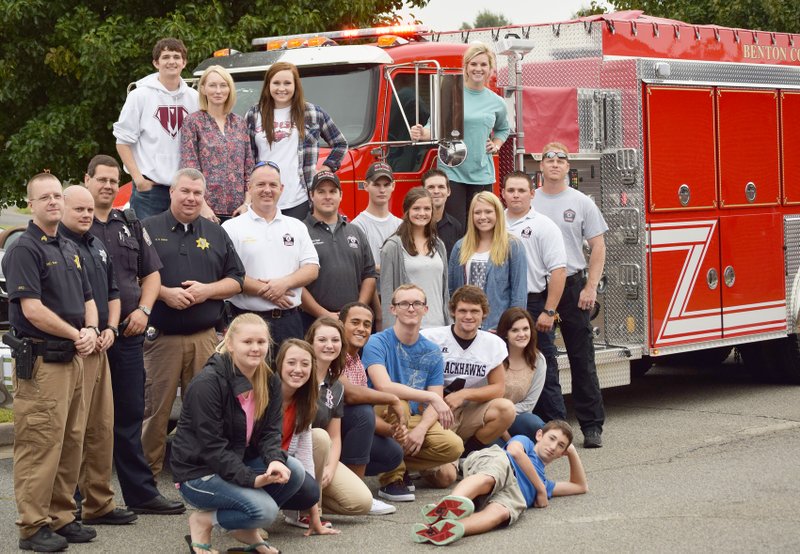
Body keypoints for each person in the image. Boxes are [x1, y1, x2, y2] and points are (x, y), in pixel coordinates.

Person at [4, 173, 99, 551]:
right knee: (40, 445)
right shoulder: (24, 249)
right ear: (31, 204)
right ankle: (32, 526)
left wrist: (91, 328)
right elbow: (32, 310)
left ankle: (61, 517)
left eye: (58, 196)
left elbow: (88, 297)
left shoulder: (68, 246)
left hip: (74, 357)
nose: (53, 202)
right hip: (44, 363)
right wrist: (78, 334)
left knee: (71, 441)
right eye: (44, 197)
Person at [86, 155, 185, 516]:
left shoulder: (128, 221)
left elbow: (153, 274)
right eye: (102, 180)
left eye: (114, 180)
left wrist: (144, 310)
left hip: (128, 334)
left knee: (129, 415)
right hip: (88, 341)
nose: (109, 186)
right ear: (88, 180)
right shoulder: (76, 225)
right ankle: (84, 501)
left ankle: (141, 494)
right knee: (86, 421)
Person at [171, 314, 319, 554]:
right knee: (266, 511)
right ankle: (203, 521)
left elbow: (271, 433)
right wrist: (251, 479)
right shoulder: (207, 384)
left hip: (235, 462)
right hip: (198, 473)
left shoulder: (269, 379)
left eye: (261, 342)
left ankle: (247, 529)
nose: (255, 348)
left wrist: (273, 461)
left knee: (294, 471)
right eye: (247, 342)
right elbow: (212, 448)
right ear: (230, 344)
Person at [141, 168, 245, 476]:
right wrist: (164, 294)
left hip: (204, 338)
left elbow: (237, 280)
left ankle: (198, 470)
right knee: (155, 410)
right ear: (171, 192)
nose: (191, 198)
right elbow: (131, 277)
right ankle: (147, 474)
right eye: (185, 191)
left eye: (197, 193)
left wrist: (206, 292)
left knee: (205, 409)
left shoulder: (216, 232)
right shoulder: (147, 229)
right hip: (161, 339)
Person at [60, 186, 137, 526]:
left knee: (101, 429)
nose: (87, 215)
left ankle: (98, 503)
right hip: (70, 350)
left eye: (90, 210)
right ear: (62, 208)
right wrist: (84, 333)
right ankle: (67, 507)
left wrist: (111, 328)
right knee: (71, 432)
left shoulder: (97, 244)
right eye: (79, 209)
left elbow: (113, 292)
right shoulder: (59, 247)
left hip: (101, 344)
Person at [533, 143, 608, 448]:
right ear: (540, 166)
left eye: (560, 159)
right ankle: (546, 423)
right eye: (548, 158)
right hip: (540, 288)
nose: (554, 163)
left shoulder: (581, 202)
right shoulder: (529, 200)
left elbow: (598, 246)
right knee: (541, 359)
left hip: (574, 287)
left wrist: (590, 286)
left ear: (568, 167)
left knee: (581, 357)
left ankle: (592, 426)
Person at [412, 420, 588, 546]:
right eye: (552, 438)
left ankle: (445, 528)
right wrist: (540, 490)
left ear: (561, 454)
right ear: (539, 435)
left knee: (501, 513)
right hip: (501, 464)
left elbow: (580, 486)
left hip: (513, 494)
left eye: (561, 446)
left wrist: (572, 452)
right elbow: (515, 452)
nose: (553, 446)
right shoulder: (525, 442)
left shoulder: (546, 482)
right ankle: (451, 503)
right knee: (491, 477)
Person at [362, 284, 464, 501]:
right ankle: (392, 479)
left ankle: (396, 461)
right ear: (393, 309)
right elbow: (383, 386)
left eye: (417, 303)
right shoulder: (377, 342)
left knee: (454, 446)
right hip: (380, 417)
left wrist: (423, 428)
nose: (411, 308)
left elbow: (435, 401)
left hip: (414, 421)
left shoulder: (432, 350)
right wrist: (430, 397)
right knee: (398, 402)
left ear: (425, 309)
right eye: (404, 303)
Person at [222, 161, 320, 354]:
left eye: (273, 185)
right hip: (246, 322)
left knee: (289, 381)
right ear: (249, 188)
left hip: (290, 322)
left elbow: (312, 268)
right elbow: (227, 274)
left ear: (281, 189)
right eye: (261, 185)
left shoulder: (297, 226)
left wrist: (283, 284)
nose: (267, 190)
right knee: (248, 382)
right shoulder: (231, 228)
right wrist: (266, 291)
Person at [411, 42, 510, 226]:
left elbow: (504, 129)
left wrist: (496, 144)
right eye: (473, 64)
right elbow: (433, 128)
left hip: (482, 172)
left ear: (490, 69)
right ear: (465, 67)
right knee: (455, 226)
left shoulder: (497, 102)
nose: (478, 69)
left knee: (481, 226)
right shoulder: (450, 92)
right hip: (452, 171)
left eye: (483, 64)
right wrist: (419, 132)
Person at [502, 170, 567, 429]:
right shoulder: (496, 224)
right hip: (502, 304)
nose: (516, 195)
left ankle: (558, 430)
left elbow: (558, 270)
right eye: (510, 190)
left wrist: (549, 311)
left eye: (521, 191)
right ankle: (519, 427)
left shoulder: (544, 225)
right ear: (503, 194)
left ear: (532, 194)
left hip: (533, 303)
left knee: (544, 366)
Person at [293, 318, 373, 524]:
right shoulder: (297, 375)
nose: (329, 345)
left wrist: (330, 467)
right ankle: (305, 512)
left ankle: (296, 497)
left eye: (335, 340)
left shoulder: (336, 385)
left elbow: (335, 436)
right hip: (291, 451)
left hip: (319, 455)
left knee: (361, 502)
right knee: (318, 436)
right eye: (322, 339)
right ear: (310, 342)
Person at [246, 61, 348, 220]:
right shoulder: (254, 113)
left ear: (296, 85)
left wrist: (326, 168)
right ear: (268, 85)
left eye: (287, 83)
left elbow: (340, 144)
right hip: (263, 198)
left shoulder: (313, 112)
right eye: (276, 83)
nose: (281, 88)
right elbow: (247, 157)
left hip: (299, 200)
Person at [421, 286, 515, 457]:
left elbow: (498, 388)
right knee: (444, 478)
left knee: (506, 409)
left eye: (474, 311)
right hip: (433, 410)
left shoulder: (492, 343)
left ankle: (468, 454)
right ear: (453, 312)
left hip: (466, 409)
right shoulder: (432, 338)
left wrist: (463, 394)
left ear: (483, 314)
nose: (468, 316)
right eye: (462, 310)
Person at [114, 38, 199, 219]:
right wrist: (138, 179)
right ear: (156, 62)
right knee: (147, 243)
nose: (171, 61)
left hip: (184, 190)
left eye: (177, 57)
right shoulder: (140, 95)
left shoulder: (195, 98)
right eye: (165, 56)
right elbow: (122, 142)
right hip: (150, 191)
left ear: (184, 62)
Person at [338, 302, 406, 514]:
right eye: (355, 322)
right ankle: (357, 494)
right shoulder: (332, 351)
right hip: (321, 429)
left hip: (341, 428)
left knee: (393, 453)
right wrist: (392, 398)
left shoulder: (356, 360)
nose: (362, 329)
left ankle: (339, 484)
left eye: (367, 324)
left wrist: (393, 431)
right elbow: (349, 395)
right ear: (340, 325)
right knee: (363, 411)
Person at [277, 339, 341, 537]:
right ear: (279, 364)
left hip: (283, 466)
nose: (298, 370)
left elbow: (305, 458)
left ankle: (299, 513)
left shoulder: (304, 402)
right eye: (291, 363)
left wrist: (315, 515)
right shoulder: (265, 396)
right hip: (257, 467)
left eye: (305, 364)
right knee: (263, 512)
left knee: (358, 503)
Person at [301, 171, 377, 330]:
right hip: (313, 323)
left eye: (333, 191)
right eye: (321, 191)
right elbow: (295, 282)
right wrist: (323, 314)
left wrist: (356, 312)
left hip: (353, 325)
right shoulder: (300, 231)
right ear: (311, 195)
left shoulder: (355, 231)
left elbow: (369, 275)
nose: (327, 196)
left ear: (341, 195)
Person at [180, 65, 253, 222]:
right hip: (206, 212)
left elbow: (249, 167)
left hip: (239, 212)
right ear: (203, 89)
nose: (218, 91)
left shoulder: (239, 122)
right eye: (212, 85)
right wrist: (203, 207)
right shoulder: (193, 122)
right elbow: (190, 168)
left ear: (229, 89)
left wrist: (247, 203)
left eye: (223, 85)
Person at [449, 192, 526, 331]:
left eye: (488, 212)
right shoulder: (460, 247)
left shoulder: (513, 246)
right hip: (465, 327)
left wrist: (510, 327)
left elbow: (518, 294)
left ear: (498, 214)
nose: (482, 217)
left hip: (496, 328)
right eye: (477, 212)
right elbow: (452, 290)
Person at [380, 187, 449, 329]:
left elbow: (445, 291)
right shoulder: (393, 247)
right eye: (416, 208)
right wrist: (391, 334)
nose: (422, 213)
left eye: (427, 209)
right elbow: (387, 296)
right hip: (409, 328)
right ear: (407, 211)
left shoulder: (439, 244)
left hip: (440, 326)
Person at [352, 161, 402, 329]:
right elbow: (366, 273)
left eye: (386, 185)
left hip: (399, 302)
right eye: (376, 185)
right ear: (366, 186)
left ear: (393, 186)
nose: (382, 190)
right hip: (372, 303)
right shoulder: (357, 226)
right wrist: (379, 314)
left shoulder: (401, 226)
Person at [495, 308, 547, 445]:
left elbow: (529, 404)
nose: (522, 334)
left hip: (516, 418)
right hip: (489, 420)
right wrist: (507, 438)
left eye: (525, 329)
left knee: (535, 424)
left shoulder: (538, 360)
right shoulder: (495, 357)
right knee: (499, 453)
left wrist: (507, 412)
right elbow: (485, 403)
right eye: (515, 330)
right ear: (505, 333)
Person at [422, 168, 463, 257]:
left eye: (441, 187)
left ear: (448, 191)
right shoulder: (413, 225)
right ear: (423, 191)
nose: (436, 191)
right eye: (431, 187)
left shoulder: (456, 227)